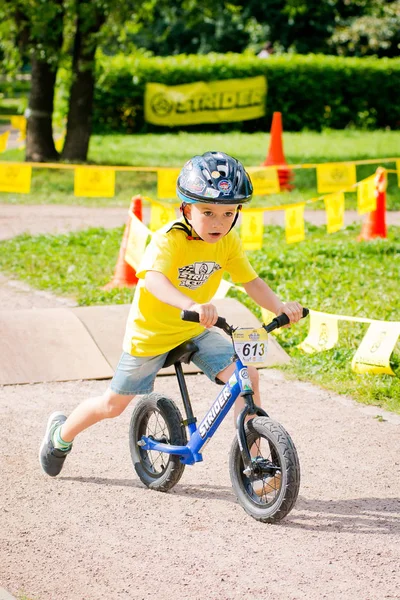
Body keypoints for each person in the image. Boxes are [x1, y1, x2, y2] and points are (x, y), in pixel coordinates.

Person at [39, 151, 303, 478]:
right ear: (186, 208)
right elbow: (153, 279)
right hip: (151, 334)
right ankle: (60, 436)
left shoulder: (228, 241)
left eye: (228, 213)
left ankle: (255, 462)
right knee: (112, 406)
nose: (218, 223)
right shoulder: (169, 240)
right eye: (208, 212)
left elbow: (250, 280)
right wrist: (190, 306)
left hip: (193, 330)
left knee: (246, 374)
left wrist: (279, 307)